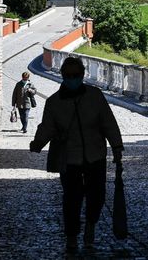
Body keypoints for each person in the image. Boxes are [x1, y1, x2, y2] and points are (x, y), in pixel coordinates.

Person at [29, 57, 123, 254]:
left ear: (82, 75)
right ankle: (71, 235)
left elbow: (108, 122)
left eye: (76, 75)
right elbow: (47, 126)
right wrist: (38, 143)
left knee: (97, 196)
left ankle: (91, 225)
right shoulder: (54, 102)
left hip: (95, 154)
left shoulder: (95, 96)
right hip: (69, 158)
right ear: (63, 76)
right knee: (71, 199)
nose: (72, 78)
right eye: (69, 75)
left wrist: (116, 146)